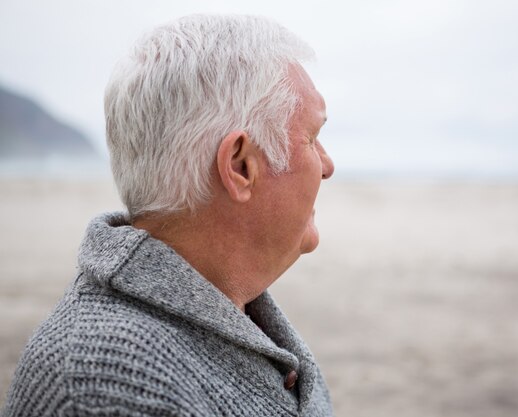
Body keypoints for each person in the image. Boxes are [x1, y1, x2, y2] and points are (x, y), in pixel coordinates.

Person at [2, 14, 334, 417]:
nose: (327, 165)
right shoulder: (107, 390)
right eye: (312, 138)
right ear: (241, 165)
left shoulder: (240, 311)